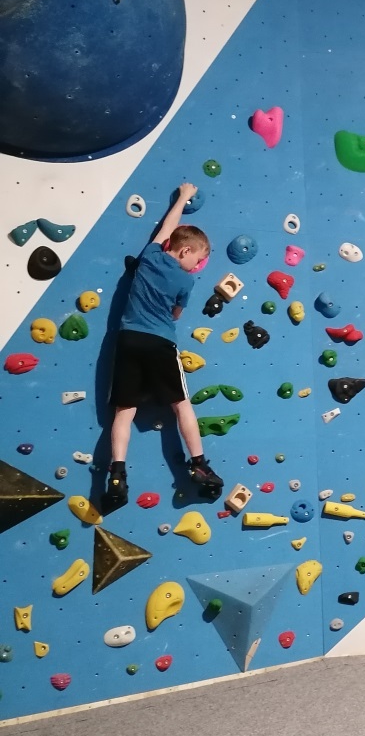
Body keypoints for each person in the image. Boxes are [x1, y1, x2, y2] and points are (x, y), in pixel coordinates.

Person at [103, 183, 224, 510]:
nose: (196, 266)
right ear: (186, 251)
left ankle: (117, 474)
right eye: (197, 259)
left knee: (124, 410)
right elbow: (176, 313)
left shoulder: (150, 256)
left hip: (129, 338)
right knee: (181, 405)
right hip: (160, 341)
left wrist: (182, 197)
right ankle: (199, 464)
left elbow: (166, 228)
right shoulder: (186, 280)